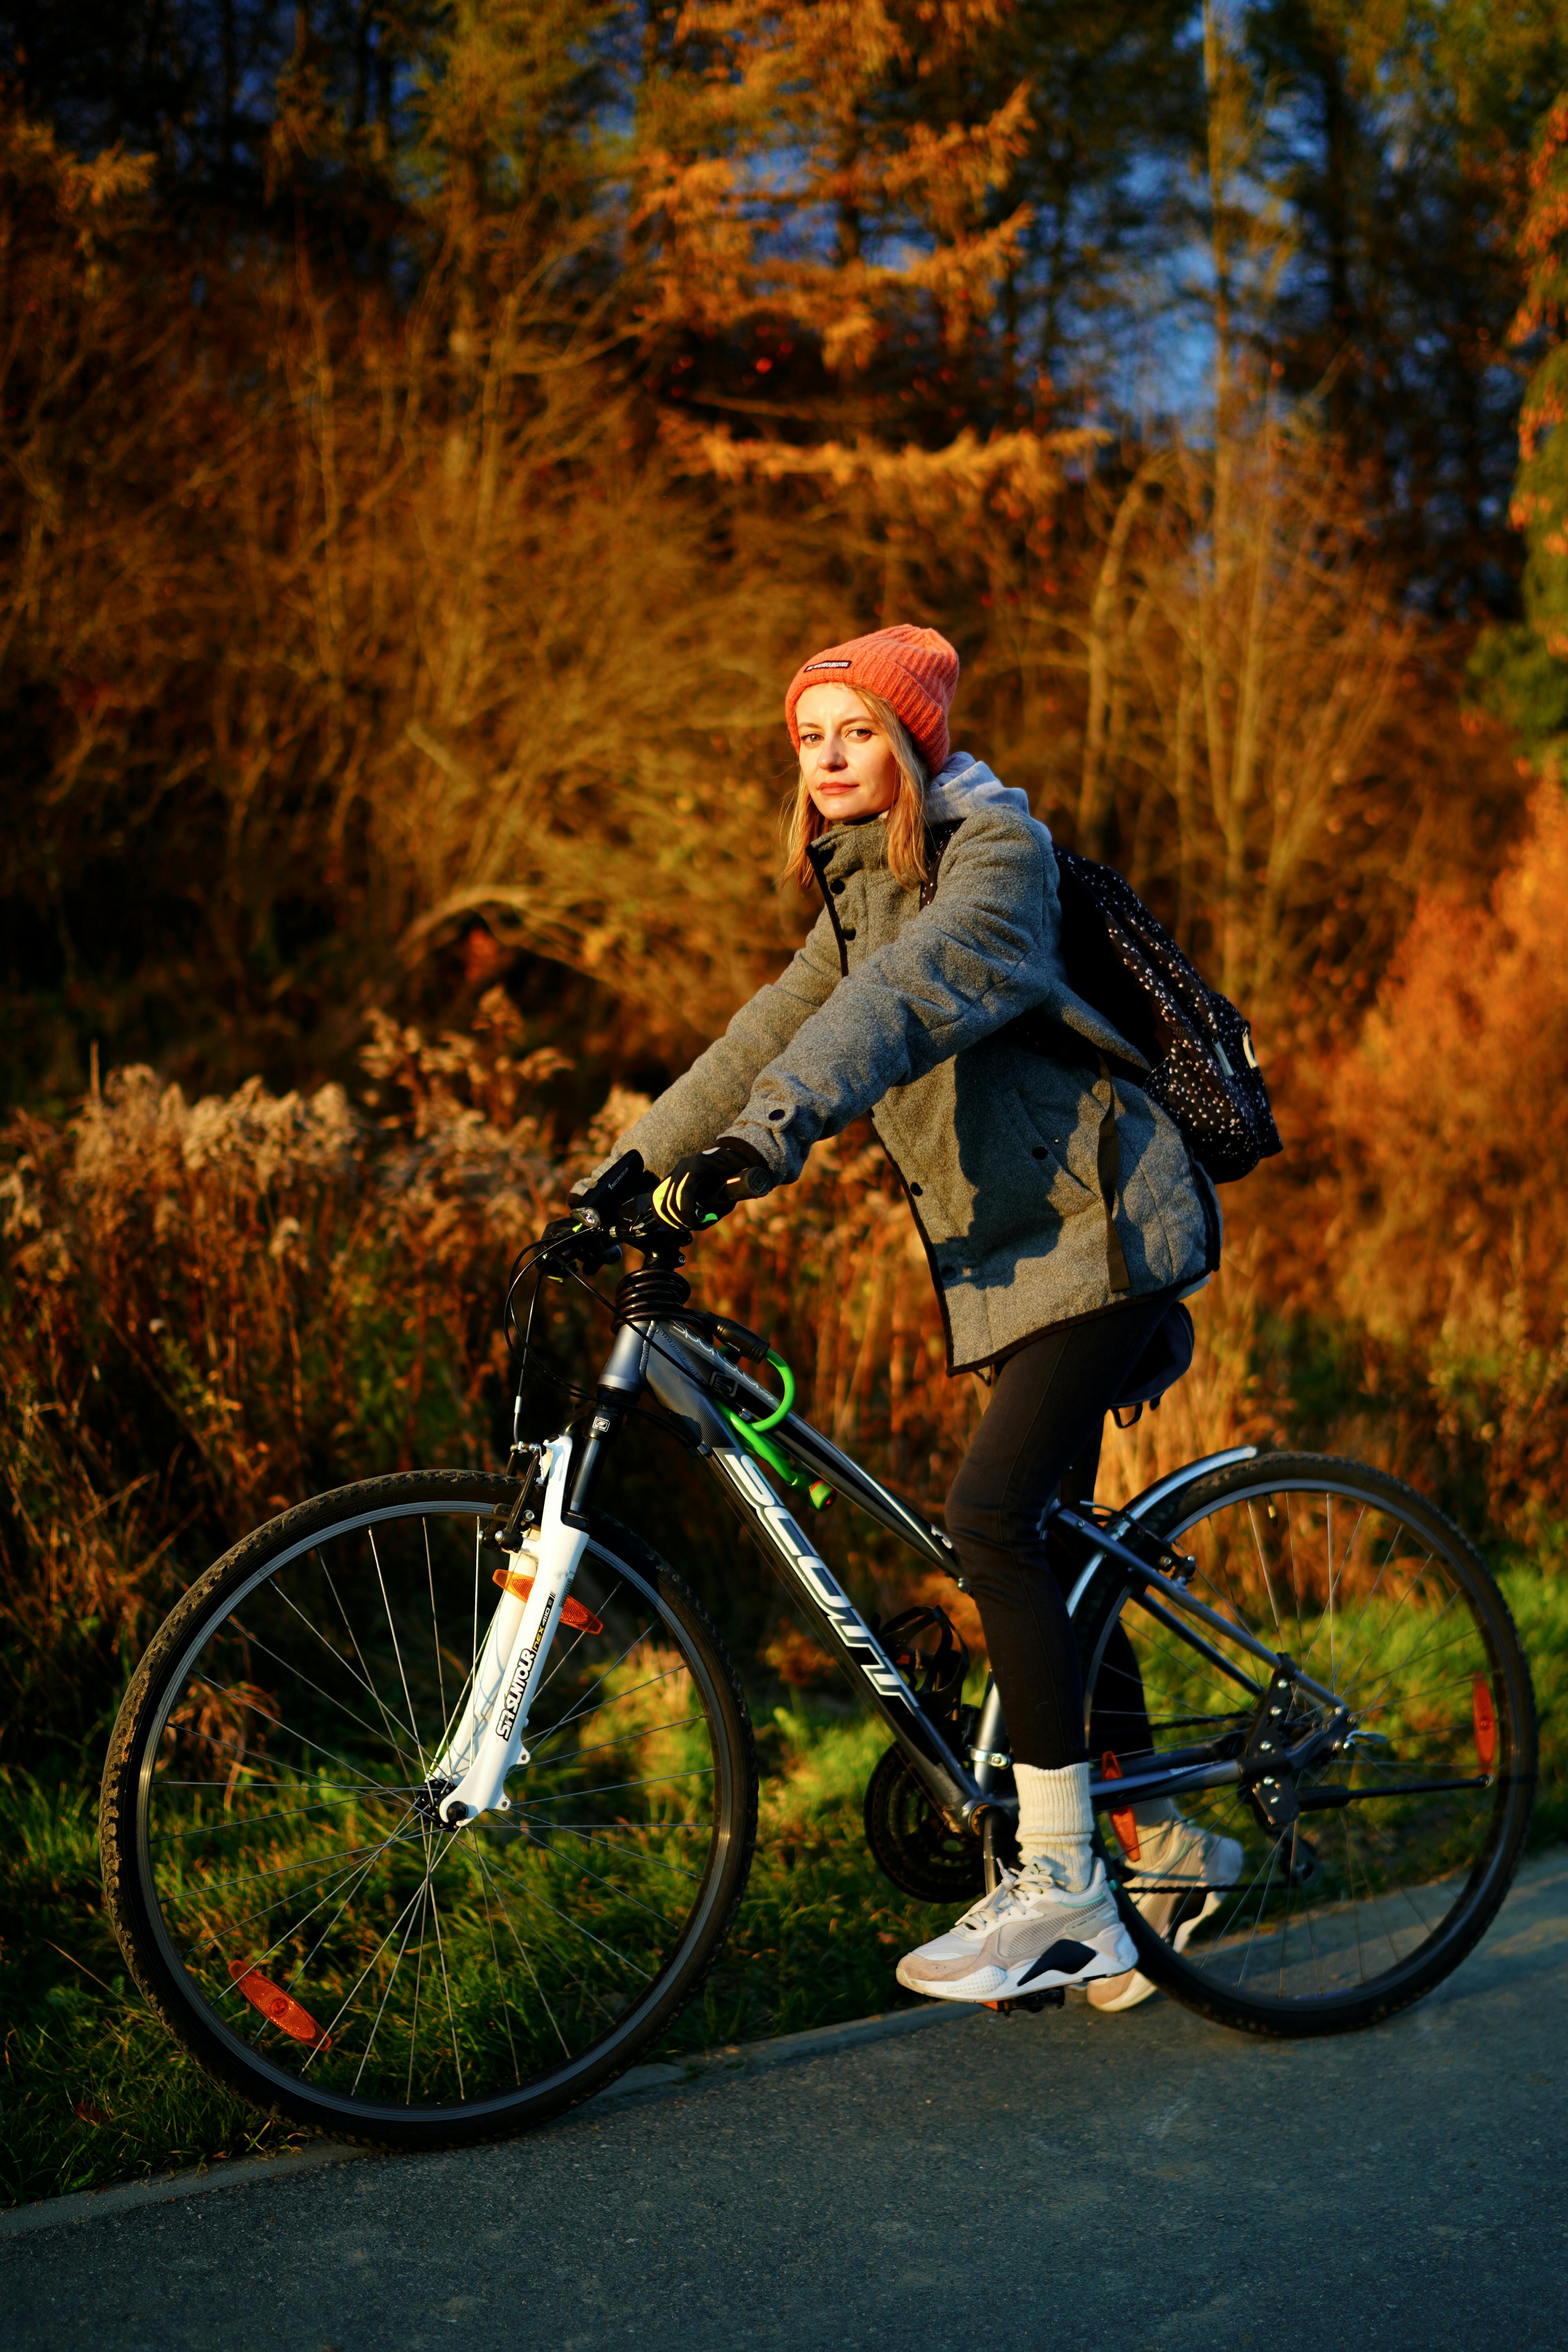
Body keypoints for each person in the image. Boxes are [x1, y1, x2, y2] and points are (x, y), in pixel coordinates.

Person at [572, 622, 1241, 2010]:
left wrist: (766, 1145)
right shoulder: (854, 892)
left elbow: (897, 1006)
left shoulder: (1000, 862)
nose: (827, 757)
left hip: (1106, 1237)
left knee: (993, 1521)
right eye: (809, 736)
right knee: (1046, 1559)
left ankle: (1061, 1895)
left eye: (857, 732)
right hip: (1025, 1264)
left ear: (913, 744)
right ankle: (1166, 1847)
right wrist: (618, 1181)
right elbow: (768, 1029)